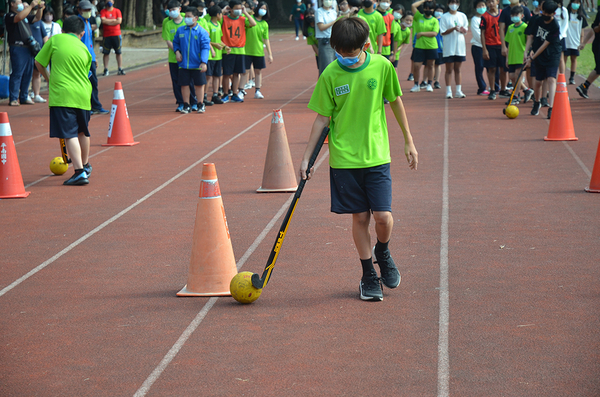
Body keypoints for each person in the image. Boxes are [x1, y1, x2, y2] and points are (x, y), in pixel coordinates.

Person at [300, 17, 418, 301]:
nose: (346, 59)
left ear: (366, 45)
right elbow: (321, 118)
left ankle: (383, 250)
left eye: (351, 53)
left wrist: (408, 140)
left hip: (377, 155)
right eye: (341, 53)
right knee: (360, 217)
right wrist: (307, 158)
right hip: (344, 159)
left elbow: (396, 101)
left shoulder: (382, 66)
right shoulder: (330, 74)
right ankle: (368, 274)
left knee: (383, 217)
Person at [34, 16, 93, 186]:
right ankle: (86, 164)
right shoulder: (84, 48)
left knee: (69, 134)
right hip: (83, 94)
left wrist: (49, 78)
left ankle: (79, 171)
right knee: (83, 131)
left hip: (63, 95)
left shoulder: (55, 40)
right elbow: (88, 73)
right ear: (81, 33)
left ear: (62, 29)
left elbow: (38, 62)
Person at [525, 0, 561, 118]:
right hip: (537, 53)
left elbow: (546, 44)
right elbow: (530, 36)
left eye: (548, 14)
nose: (544, 15)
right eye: (543, 12)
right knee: (538, 82)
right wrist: (526, 52)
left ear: (553, 14)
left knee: (551, 78)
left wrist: (532, 58)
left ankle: (551, 107)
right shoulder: (536, 20)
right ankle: (537, 102)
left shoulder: (555, 25)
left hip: (552, 53)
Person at [4, 0, 43, 106]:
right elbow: (18, 18)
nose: (21, 4)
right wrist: (30, 6)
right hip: (18, 47)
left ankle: (24, 96)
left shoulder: (25, 16)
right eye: (18, 2)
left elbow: (37, 18)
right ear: (12, 4)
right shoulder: (9, 16)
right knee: (17, 73)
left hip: (28, 47)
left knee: (28, 73)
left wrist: (40, 8)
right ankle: (13, 98)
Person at [163, 0, 199, 112]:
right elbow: (168, 41)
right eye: (170, 10)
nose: (172, 12)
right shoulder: (168, 24)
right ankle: (181, 102)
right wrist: (177, 51)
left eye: (174, 9)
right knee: (177, 81)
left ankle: (193, 102)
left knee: (189, 81)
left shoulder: (187, 20)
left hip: (188, 58)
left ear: (179, 9)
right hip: (174, 58)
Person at [173, 7, 211, 113]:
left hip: (197, 64)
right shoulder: (181, 30)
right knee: (184, 85)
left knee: (199, 84)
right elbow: (175, 42)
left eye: (189, 17)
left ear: (196, 18)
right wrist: (177, 52)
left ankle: (200, 104)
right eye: (186, 17)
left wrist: (203, 62)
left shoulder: (202, 32)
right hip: (184, 64)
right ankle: (186, 105)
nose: (187, 19)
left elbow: (205, 47)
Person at [221, 0, 256, 102]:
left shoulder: (242, 19)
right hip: (228, 50)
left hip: (240, 50)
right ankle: (226, 94)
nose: (238, 10)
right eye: (236, 8)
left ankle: (235, 93)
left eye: (240, 8)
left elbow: (253, 23)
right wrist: (223, 11)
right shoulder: (224, 19)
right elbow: (211, 19)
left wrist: (245, 12)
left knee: (237, 74)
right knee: (227, 74)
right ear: (230, 9)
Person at [78, 0, 108, 114]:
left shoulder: (87, 22)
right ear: (79, 10)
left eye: (89, 9)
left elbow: (90, 41)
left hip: (90, 57)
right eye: (85, 10)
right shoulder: (78, 22)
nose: (87, 12)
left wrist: (94, 57)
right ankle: (85, 106)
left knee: (93, 83)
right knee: (84, 83)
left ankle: (95, 105)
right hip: (82, 57)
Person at [242, 1, 272, 99]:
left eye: (265, 9)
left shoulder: (265, 24)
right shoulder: (249, 20)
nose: (263, 10)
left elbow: (266, 40)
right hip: (247, 50)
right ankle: (241, 90)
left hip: (258, 51)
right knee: (245, 71)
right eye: (261, 8)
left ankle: (257, 90)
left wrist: (270, 54)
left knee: (258, 71)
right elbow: (250, 24)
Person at [439, 0, 468, 98]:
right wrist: (453, 28)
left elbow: (465, 30)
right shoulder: (444, 17)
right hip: (449, 47)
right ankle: (448, 91)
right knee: (449, 69)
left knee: (458, 69)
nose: (454, 4)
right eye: (452, 2)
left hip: (459, 47)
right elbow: (442, 32)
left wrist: (463, 30)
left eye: (456, 2)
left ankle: (458, 90)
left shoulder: (462, 16)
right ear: (448, 4)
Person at [410, 0, 439, 92]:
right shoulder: (419, 17)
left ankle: (429, 84)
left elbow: (434, 33)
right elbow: (413, 6)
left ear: (433, 9)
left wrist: (422, 33)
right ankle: (416, 84)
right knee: (416, 66)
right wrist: (424, 0)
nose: (428, 10)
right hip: (419, 46)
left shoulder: (434, 20)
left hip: (431, 46)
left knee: (431, 65)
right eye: (426, 8)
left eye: (430, 8)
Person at [481, 0, 506, 100]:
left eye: (493, 1)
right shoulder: (485, 16)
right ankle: (492, 89)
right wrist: (484, 49)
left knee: (503, 69)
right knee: (492, 68)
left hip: (501, 44)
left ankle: (503, 89)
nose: (491, 4)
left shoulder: (503, 13)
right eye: (488, 2)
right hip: (490, 45)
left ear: (497, 1)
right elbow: (482, 33)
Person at [504, 5, 530, 104]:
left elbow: (528, 42)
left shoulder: (525, 27)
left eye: (516, 15)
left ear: (522, 15)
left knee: (517, 76)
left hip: (520, 55)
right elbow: (509, 43)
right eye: (512, 15)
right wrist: (507, 58)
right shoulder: (510, 27)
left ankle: (515, 96)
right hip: (511, 56)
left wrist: (526, 54)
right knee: (512, 77)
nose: (514, 17)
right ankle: (527, 90)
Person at [206, 5, 230, 104]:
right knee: (208, 77)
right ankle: (204, 96)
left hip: (218, 56)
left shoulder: (218, 25)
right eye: (221, 13)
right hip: (210, 55)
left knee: (217, 76)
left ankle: (215, 95)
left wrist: (225, 46)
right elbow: (206, 40)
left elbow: (219, 40)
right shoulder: (208, 25)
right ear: (218, 14)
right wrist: (214, 47)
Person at [575, 8, 600, 98]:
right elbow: (594, 28)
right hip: (598, 45)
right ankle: (584, 86)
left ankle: (584, 86)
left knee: (598, 69)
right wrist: (584, 42)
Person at [29, 2, 48, 103]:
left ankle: (36, 94)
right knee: (27, 73)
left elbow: (45, 37)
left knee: (37, 73)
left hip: (38, 51)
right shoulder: (25, 20)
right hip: (27, 51)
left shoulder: (39, 22)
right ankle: (26, 94)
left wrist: (46, 49)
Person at [564, 0, 588, 84]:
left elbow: (582, 31)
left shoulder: (581, 17)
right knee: (564, 59)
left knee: (573, 59)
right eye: (574, 2)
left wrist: (581, 42)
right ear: (571, 3)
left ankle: (571, 77)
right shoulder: (566, 14)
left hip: (576, 42)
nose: (576, 4)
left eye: (578, 3)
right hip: (566, 41)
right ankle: (562, 76)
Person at [100, 1, 125, 76]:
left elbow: (119, 21)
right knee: (106, 53)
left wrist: (109, 22)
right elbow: (103, 20)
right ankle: (106, 69)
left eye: (110, 0)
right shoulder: (103, 11)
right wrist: (114, 21)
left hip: (116, 34)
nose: (109, 2)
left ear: (113, 2)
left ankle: (120, 68)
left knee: (118, 52)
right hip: (107, 35)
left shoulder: (117, 11)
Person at [471, 0, 490, 95]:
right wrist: (486, 43)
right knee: (480, 67)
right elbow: (477, 35)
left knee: (492, 67)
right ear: (476, 8)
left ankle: (494, 86)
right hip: (478, 47)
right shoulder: (475, 20)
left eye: (483, 5)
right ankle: (482, 88)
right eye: (479, 6)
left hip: (490, 46)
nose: (481, 7)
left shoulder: (488, 17)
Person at [315, 0, 338, 76]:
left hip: (334, 40)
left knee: (336, 65)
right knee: (326, 66)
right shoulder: (319, 11)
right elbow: (321, 27)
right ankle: (323, 86)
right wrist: (335, 21)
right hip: (325, 40)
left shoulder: (333, 12)